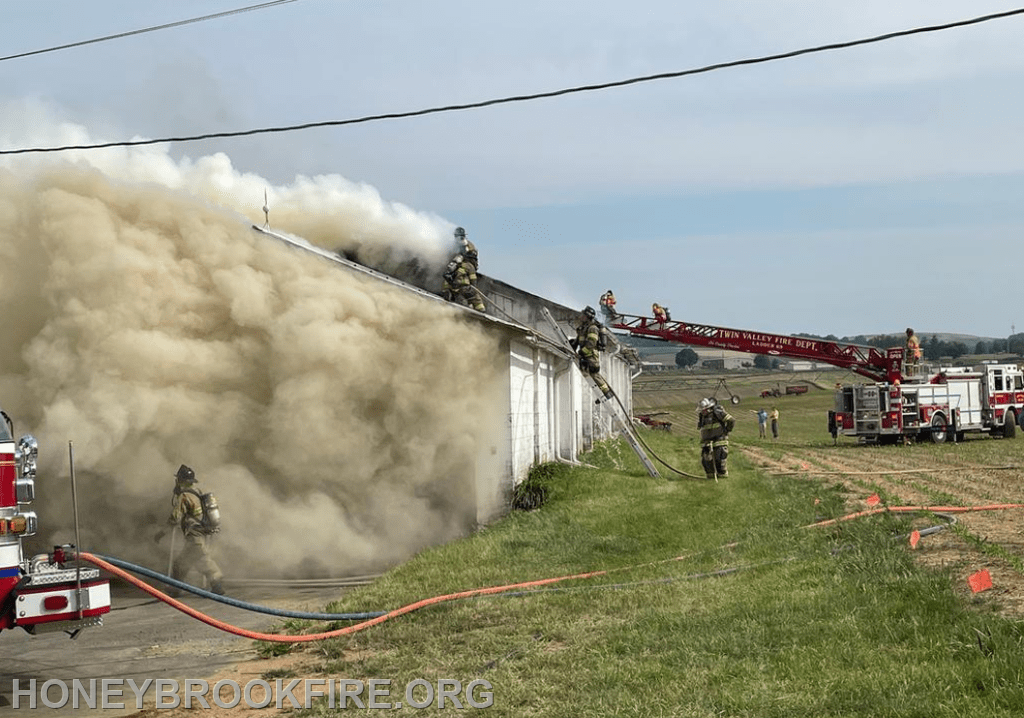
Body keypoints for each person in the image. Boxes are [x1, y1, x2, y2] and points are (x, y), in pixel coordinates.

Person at [156, 464, 224, 595]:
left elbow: (175, 517)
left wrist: (161, 533)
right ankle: (214, 585)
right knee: (186, 562)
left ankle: (217, 584)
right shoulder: (197, 492)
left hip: (194, 535)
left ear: (180, 480)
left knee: (197, 561)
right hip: (201, 533)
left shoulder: (184, 496)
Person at [569, 306, 614, 400]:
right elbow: (579, 340)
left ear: (587, 316)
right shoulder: (583, 328)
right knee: (591, 374)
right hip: (586, 355)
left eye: (583, 315)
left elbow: (591, 343)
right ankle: (602, 393)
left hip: (591, 356)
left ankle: (606, 393)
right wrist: (572, 344)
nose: (581, 316)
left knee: (594, 374)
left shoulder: (592, 328)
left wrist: (581, 352)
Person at [697, 397, 735, 479]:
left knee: (719, 461)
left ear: (708, 408)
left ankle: (722, 478)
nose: (702, 412)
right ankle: (710, 478)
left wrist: (726, 431)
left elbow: (731, 420)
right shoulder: (702, 417)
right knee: (706, 461)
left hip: (719, 441)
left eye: (703, 410)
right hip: (706, 442)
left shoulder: (717, 413)